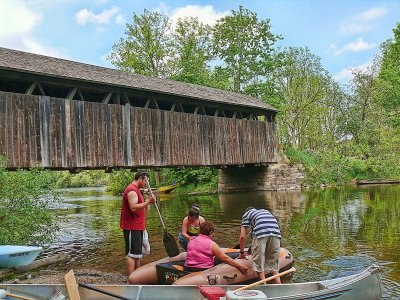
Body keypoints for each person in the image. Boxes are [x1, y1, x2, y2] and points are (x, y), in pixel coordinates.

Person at [120, 170, 155, 276]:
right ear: (141, 178)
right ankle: (131, 279)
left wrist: (148, 200)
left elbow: (144, 208)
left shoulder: (137, 190)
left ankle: (137, 277)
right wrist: (148, 202)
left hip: (138, 226)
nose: (146, 184)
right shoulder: (132, 190)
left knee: (138, 254)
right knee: (132, 254)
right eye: (145, 181)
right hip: (132, 227)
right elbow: (134, 208)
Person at [238, 207, 282, 284]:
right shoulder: (265, 211)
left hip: (261, 233)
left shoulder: (246, 214)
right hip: (276, 233)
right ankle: (279, 285)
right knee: (274, 264)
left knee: (258, 263)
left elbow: (242, 236)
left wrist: (241, 253)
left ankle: (264, 286)